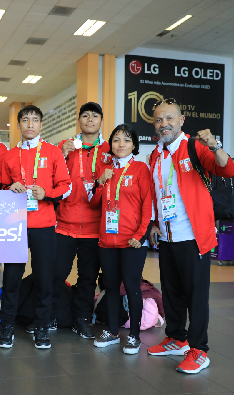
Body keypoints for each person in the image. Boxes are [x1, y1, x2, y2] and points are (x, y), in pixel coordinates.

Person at [147, 98, 234, 374]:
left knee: (196, 295)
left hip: (194, 236)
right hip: (168, 236)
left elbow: (227, 168)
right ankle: (176, 337)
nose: (165, 124)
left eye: (170, 118)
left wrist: (215, 145)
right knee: (172, 292)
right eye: (159, 119)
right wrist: (153, 223)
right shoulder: (155, 155)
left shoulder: (194, 147)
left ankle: (199, 350)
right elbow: (156, 194)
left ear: (181, 120)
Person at [0, 105, 72, 349]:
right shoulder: (8, 155)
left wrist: (46, 193)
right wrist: (10, 188)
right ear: (18, 125)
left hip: (44, 225)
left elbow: (66, 186)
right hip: (15, 226)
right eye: (25, 120)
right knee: (11, 278)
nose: (30, 124)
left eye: (35, 120)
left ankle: (42, 325)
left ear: (41, 125)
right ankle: (6, 325)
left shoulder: (52, 152)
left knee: (44, 279)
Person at [88, 124, 152, 354]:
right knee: (111, 286)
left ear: (134, 145)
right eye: (116, 140)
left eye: (126, 140)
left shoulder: (141, 169)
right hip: (107, 240)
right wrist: (100, 182)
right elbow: (94, 203)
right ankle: (113, 332)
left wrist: (140, 235)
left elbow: (148, 205)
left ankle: (134, 335)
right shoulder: (106, 170)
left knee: (133, 287)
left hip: (132, 241)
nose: (121, 144)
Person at [50, 102, 113, 339]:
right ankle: (54, 315)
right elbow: (52, 180)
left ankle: (82, 319)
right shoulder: (65, 147)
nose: (89, 120)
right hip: (64, 224)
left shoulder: (109, 149)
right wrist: (62, 155)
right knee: (57, 274)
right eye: (85, 116)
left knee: (87, 278)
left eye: (94, 116)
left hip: (94, 228)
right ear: (79, 121)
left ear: (101, 122)